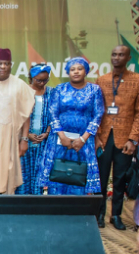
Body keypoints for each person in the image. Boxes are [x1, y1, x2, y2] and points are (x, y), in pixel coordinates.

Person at [36, 57, 104, 195]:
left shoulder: (94, 90)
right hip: (60, 140)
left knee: (79, 175)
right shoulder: (60, 89)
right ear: (68, 72)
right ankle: (56, 210)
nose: (76, 72)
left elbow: (98, 115)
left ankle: (78, 212)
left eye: (80, 69)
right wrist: (62, 136)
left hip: (84, 141)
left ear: (86, 71)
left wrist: (83, 139)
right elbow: (52, 113)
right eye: (72, 69)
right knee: (57, 174)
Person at [0, 48, 35, 194]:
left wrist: (24, 139)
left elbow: (26, 114)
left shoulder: (19, 85)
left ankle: (6, 208)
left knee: (8, 176)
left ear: (11, 65)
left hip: (10, 139)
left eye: (6, 63)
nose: (2, 67)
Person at [97, 46, 139, 230]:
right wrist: (97, 136)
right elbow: (96, 111)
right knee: (101, 177)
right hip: (104, 137)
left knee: (120, 179)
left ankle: (116, 215)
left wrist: (133, 139)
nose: (117, 57)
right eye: (114, 54)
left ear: (128, 58)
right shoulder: (102, 80)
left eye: (121, 55)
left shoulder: (137, 81)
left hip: (125, 139)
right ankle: (98, 214)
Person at [16, 64, 53, 195]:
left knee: (40, 176)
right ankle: (21, 209)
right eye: (38, 80)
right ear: (31, 78)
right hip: (24, 140)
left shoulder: (51, 93)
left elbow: (55, 115)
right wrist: (26, 135)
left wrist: (47, 133)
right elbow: (16, 116)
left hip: (44, 142)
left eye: (45, 80)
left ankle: (37, 208)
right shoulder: (23, 92)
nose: (42, 83)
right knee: (23, 175)